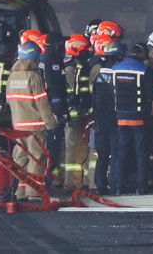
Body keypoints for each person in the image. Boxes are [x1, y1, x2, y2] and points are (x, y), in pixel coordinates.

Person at [5, 42, 57, 201]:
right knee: (36, 158)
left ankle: (19, 191)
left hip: (18, 126)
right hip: (35, 126)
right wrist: (50, 123)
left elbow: (9, 101)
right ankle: (34, 192)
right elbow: (42, 104)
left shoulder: (12, 76)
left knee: (20, 158)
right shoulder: (34, 77)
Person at [111, 45, 153, 195]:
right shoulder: (145, 70)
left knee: (122, 153)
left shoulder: (115, 69)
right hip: (139, 118)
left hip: (120, 118)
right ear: (140, 55)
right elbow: (152, 95)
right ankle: (141, 187)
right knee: (141, 153)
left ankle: (119, 186)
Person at [90, 41, 124, 194]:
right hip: (115, 118)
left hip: (100, 118)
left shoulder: (98, 71)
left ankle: (100, 184)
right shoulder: (119, 71)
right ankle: (116, 184)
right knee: (116, 153)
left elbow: (93, 94)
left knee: (102, 155)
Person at [61, 34, 92, 190]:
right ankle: (71, 183)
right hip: (73, 117)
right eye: (85, 49)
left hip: (79, 114)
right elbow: (72, 93)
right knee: (72, 149)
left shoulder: (75, 65)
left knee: (78, 148)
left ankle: (77, 181)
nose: (89, 51)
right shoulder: (70, 68)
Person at [39, 33, 69, 184]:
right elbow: (56, 85)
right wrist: (61, 108)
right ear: (56, 45)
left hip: (50, 103)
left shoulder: (45, 57)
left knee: (53, 142)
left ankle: (52, 175)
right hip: (54, 104)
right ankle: (51, 176)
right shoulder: (52, 59)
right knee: (54, 141)